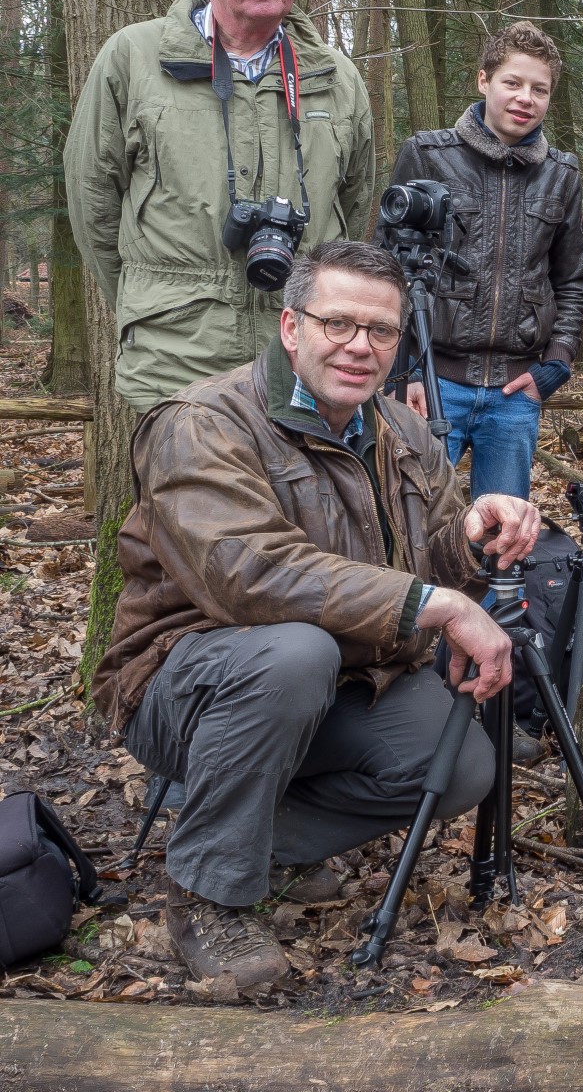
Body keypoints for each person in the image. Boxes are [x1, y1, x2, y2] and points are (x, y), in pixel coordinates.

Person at [92, 242, 543, 989]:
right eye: (338, 323)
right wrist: (439, 603)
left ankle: (258, 842)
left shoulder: (400, 431)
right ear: (291, 326)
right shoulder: (202, 422)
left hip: (341, 676)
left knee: (460, 763)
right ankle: (208, 896)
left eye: (382, 331)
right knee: (293, 653)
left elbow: (420, 561)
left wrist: (468, 542)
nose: (360, 347)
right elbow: (251, 575)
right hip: (187, 679)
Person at [65, 0, 374, 413]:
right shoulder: (134, 59)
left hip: (301, 358)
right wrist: (151, 299)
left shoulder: (336, 78)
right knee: (188, 498)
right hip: (176, 356)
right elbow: (94, 200)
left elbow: (353, 206)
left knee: (299, 498)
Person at [389, 21, 583, 499]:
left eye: (539, 90)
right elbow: (387, 269)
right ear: (484, 81)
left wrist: (557, 364)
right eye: (513, 83)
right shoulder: (427, 154)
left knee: (503, 541)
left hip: (514, 394)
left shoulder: (561, 174)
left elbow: (573, 280)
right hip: (433, 382)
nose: (525, 98)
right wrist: (404, 372)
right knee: (413, 522)